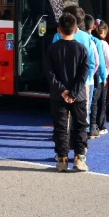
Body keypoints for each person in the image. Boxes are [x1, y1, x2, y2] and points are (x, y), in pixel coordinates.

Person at [45, 12, 91, 172]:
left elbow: (50, 74)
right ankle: (79, 158)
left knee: (60, 127)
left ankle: (62, 159)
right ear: (76, 29)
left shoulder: (52, 49)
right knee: (80, 126)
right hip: (78, 96)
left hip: (59, 96)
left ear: (59, 30)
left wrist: (63, 91)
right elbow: (83, 74)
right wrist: (73, 92)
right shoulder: (82, 49)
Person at [52, 5, 104, 131]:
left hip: (62, 83)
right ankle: (81, 142)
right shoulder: (87, 38)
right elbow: (92, 62)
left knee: (63, 115)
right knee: (82, 113)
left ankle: (63, 139)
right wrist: (88, 78)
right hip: (82, 83)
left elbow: (53, 62)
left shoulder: (57, 36)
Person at [93, 21, 109, 135]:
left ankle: (93, 124)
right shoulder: (104, 44)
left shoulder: (92, 41)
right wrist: (105, 75)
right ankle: (101, 126)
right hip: (102, 75)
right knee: (102, 101)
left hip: (92, 75)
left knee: (94, 101)